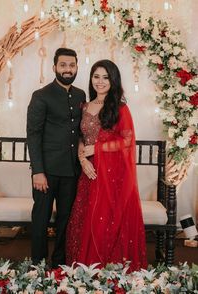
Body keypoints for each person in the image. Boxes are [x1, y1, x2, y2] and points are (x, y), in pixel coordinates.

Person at [66, 59, 147, 271]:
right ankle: (85, 271)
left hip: (112, 175)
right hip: (89, 171)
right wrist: (83, 159)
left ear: (113, 80)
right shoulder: (84, 105)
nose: (100, 82)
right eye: (96, 76)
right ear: (91, 79)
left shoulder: (120, 108)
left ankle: (109, 270)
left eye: (105, 77)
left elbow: (127, 140)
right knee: (84, 219)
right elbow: (80, 137)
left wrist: (97, 149)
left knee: (107, 222)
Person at [27, 48, 86, 268]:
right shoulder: (41, 96)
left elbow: (79, 131)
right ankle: (38, 264)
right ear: (54, 68)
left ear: (77, 67)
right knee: (41, 219)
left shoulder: (80, 95)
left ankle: (60, 262)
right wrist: (37, 171)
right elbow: (33, 135)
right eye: (63, 65)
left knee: (66, 221)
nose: (67, 69)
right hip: (46, 172)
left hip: (71, 171)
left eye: (71, 65)